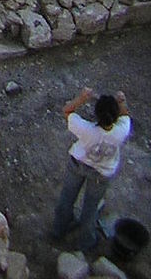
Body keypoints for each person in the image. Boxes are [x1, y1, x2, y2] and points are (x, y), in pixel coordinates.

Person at [51, 87, 131, 251]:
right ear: (115, 117)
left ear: (96, 114)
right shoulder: (121, 131)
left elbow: (67, 111)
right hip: (102, 173)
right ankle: (86, 242)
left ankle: (58, 230)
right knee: (91, 207)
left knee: (67, 198)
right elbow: (125, 116)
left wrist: (82, 98)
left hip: (78, 164)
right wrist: (122, 102)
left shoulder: (86, 129)